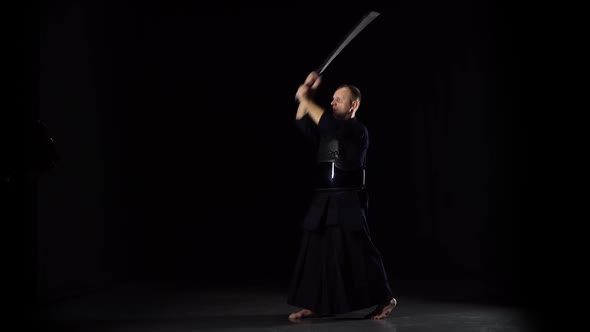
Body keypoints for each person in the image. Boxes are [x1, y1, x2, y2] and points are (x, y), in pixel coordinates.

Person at [287, 71, 397, 320]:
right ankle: (313, 303)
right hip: (324, 199)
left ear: (353, 105)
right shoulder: (328, 129)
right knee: (315, 250)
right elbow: (303, 121)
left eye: (339, 99)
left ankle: (386, 298)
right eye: (332, 98)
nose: (333, 102)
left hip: (348, 199)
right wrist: (307, 92)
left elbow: (328, 123)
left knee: (358, 250)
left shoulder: (356, 130)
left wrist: (306, 97)